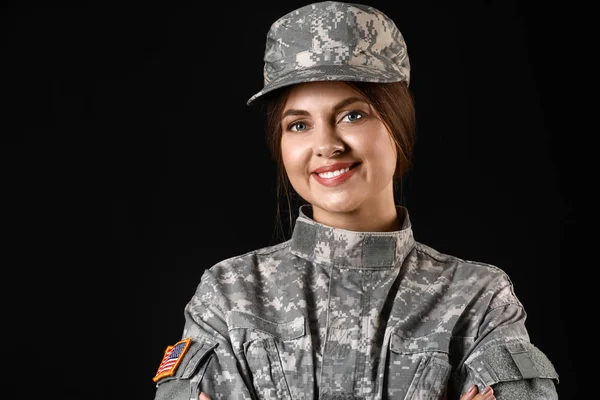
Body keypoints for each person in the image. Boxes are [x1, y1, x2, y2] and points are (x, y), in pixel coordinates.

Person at [151, 1, 560, 399]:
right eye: (298, 124)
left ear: (397, 124)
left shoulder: (478, 298)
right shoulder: (228, 295)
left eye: (353, 115)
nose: (326, 144)